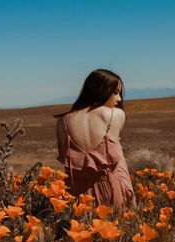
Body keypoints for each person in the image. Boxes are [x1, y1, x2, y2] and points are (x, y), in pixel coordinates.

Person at [54, 69, 136, 210]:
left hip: (77, 196)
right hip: (110, 191)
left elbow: (68, 170)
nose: (119, 99)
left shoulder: (63, 122)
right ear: (101, 90)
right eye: (115, 92)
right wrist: (131, 195)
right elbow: (119, 162)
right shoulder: (114, 115)